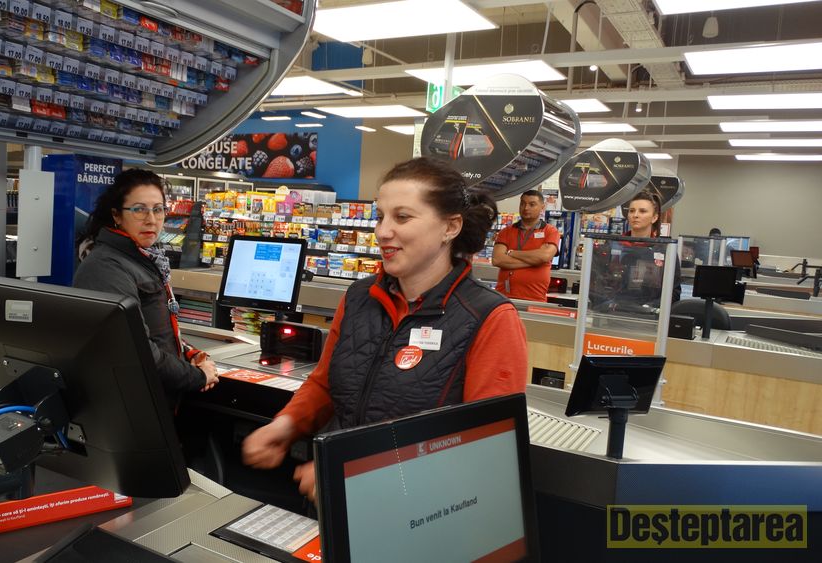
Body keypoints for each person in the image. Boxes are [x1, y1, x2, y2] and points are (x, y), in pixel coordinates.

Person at [242, 157, 527, 501]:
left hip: (420, 513)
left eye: (402, 217)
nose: (382, 231)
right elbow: (326, 383)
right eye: (380, 217)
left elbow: (485, 451)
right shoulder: (359, 297)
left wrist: (358, 478)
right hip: (332, 500)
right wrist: (286, 424)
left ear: (450, 227)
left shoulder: (490, 318)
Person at [73, 169, 218, 405]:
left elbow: (157, 331)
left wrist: (189, 353)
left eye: (158, 209)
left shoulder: (144, 258)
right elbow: (136, 350)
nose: (151, 219)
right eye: (139, 209)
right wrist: (197, 377)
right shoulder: (106, 268)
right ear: (117, 215)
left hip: (154, 398)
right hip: (132, 406)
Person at [592, 190, 682, 311]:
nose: (635, 215)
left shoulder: (666, 250)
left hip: (650, 316)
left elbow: (673, 293)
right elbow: (595, 285)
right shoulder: (611, 246)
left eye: (642, 211)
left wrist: (649, 308)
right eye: (632, 211)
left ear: (654, 217)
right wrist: (608, 305)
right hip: (611, 314)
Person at [491, 189, 561, 302]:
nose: (526, 208)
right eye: (523, 203)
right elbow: (497, 260)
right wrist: (536, 261)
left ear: (542, 207)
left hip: (535, 300)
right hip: (504, 298)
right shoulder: (506, 232)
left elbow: (544, 256)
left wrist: (511, 253)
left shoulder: (550, 231)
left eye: (532, 204)